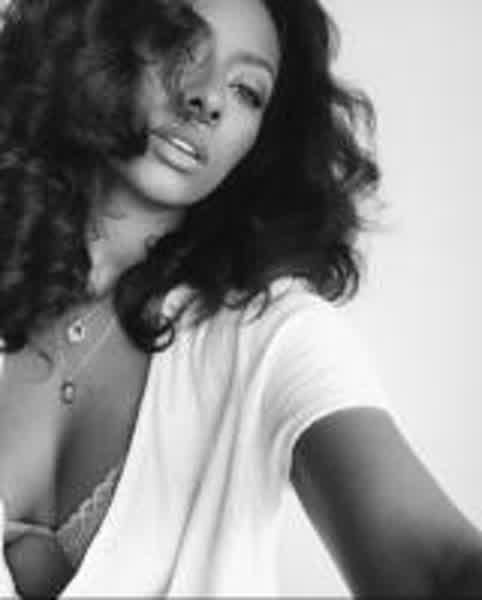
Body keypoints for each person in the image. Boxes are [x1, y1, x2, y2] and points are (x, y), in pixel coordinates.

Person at [0, 0, 480, 597]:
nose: (209, 99)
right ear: (98, 44)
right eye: (180, 48)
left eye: (247, 90)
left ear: (262, 140)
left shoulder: (275, 335)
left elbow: (435, 565)